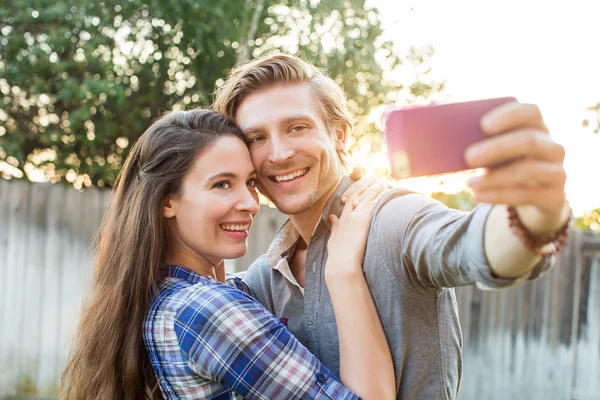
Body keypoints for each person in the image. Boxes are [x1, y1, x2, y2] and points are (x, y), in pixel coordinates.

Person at [213, 53, 572, 399]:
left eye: (297, 127)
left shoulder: (391, 220)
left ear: (339, 135)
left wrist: (535, 216)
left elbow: (474, 247)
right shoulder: (264, 278)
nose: (278, 154)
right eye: (257, 138)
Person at [59, 109, 396, 399]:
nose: (250, 204)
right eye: (222, 184)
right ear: (167, 201)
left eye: (250, 183)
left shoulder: (159, 297)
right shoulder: (206, 311)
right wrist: (343, 269)